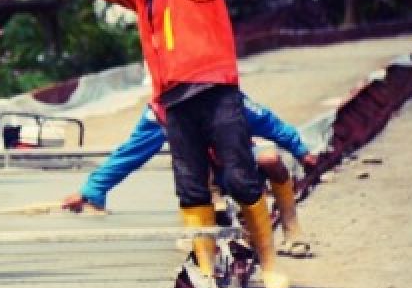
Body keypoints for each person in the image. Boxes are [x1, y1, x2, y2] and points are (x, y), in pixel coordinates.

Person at [22, 0, 290, 288]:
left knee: (242, 178)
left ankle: (268, 263)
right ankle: (205, 270)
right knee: (191, 189)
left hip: (214, 91)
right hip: (174, 102)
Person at [62, 95, 318, 257]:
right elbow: (130, 154)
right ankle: (203, 229)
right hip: (200, 179)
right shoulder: (161, 113)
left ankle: (291, 228)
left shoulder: (228, 100)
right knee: (194, 169)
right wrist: (92, 191)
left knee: (269, 158)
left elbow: (272, 125)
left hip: (236, 167)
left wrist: (302, 151)